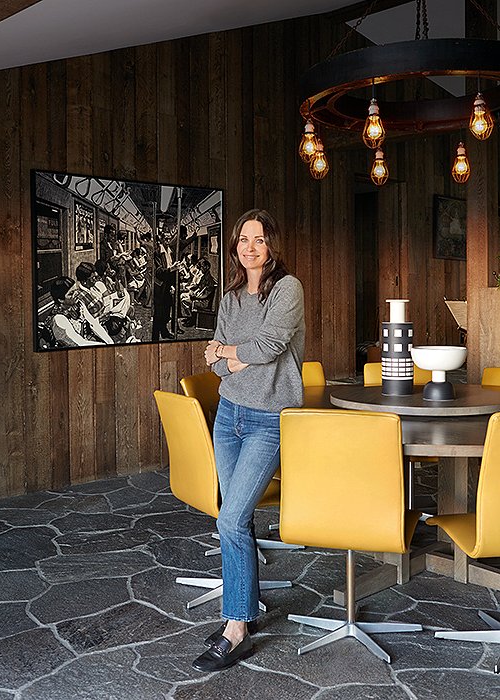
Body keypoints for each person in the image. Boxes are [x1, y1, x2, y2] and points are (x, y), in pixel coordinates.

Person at [193, 209, 305, 672]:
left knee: (232, 519)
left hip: (268, 420)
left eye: (259, 239)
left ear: (271, 244)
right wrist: (229, 358)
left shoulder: (288, 289)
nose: (250, 247)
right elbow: (213, 358)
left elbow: (270, 347)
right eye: (243, 239)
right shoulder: (232, 295)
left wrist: (230, 354)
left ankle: (235, 629)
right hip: (229, 417)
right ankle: (248, 606)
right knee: (237, 517)